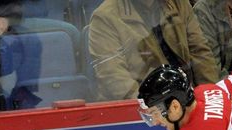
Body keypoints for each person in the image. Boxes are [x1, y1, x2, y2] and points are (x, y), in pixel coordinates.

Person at [88, 0, 220, 101]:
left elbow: (201, 55)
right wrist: (162, 109)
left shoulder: (179, 3)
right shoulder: (104, 17)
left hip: (185, 101)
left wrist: (213, 98)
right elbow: (116, 82)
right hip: (141, 111)